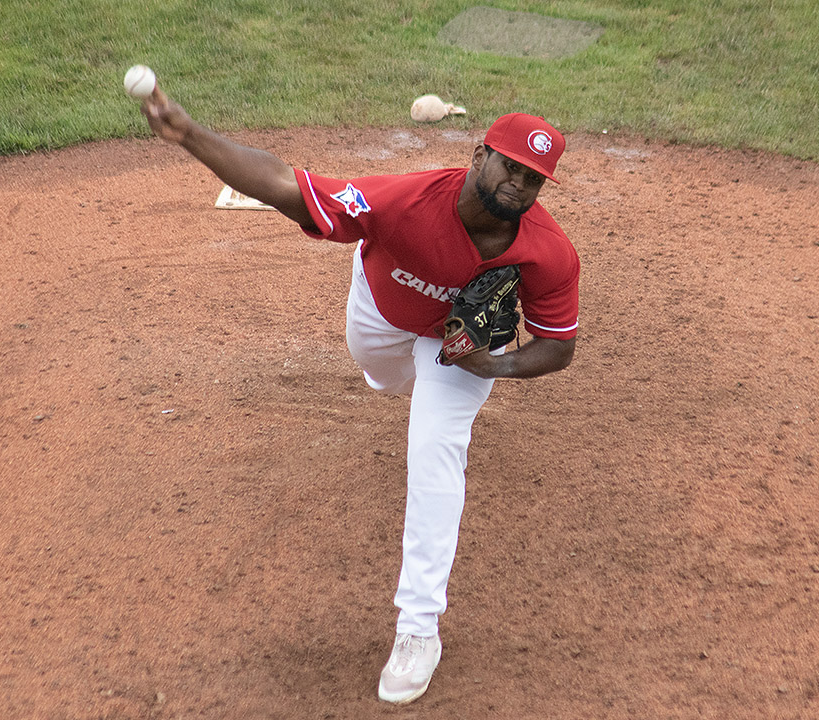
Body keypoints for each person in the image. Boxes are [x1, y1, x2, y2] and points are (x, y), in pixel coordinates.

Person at [140, 82, 579, 705]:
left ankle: (418, 629)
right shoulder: (403, 201)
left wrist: (492, 368)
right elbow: (289, 186)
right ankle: (397, 377)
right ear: (479, 154)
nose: (518, 184)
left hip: (457, 347)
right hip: (381, 309)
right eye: (510, 165)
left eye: (533, 178)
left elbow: (560, 346)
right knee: (378, 368)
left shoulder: (550, 253)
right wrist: (189, 134)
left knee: (435, 452)